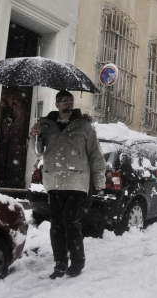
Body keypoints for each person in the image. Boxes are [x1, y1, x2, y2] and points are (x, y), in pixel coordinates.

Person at [30, 90, 106, 279]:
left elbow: (95, 154)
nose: (68, 105)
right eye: (64, 102)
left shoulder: (84, 125)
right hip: (54, 181)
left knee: (70, 222)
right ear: (57, 105)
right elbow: (37, 152)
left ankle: (78, 262)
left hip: (77, 181)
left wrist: (99, 179)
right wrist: (35, 135)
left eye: (70, 101)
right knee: (56, 224)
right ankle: (60, 264)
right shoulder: (46, 125)